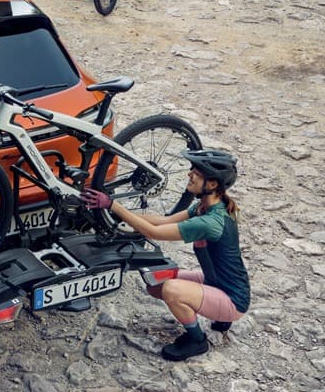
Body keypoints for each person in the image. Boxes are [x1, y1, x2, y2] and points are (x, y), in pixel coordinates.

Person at [80, 149, 250, 361]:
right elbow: (162, 220)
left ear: (213, 184)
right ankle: (220, 319)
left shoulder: (209, 223)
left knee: (171, 289)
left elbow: (154, 232)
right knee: (156, 285)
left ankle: (197, 340)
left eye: (196, 172)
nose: (190, 174)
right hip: (215, 282)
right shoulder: (204, 207)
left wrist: (112, 204)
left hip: (233, 300)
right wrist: (117, 215)